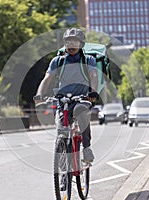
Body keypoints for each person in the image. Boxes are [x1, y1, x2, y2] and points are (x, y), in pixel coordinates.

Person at [34, 28, 98, 163]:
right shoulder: (57, 61)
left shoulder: (89, 60)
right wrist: (39, 94)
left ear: (81, 44)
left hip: (82, 99)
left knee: (81, 111)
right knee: (62, 128)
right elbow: (47, 79)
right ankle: (63, 162)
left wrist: (92, 92)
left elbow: (94, 76)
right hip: (63, 101)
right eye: (68, 42)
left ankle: (86, 148)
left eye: (75, 42)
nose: (71, 45)